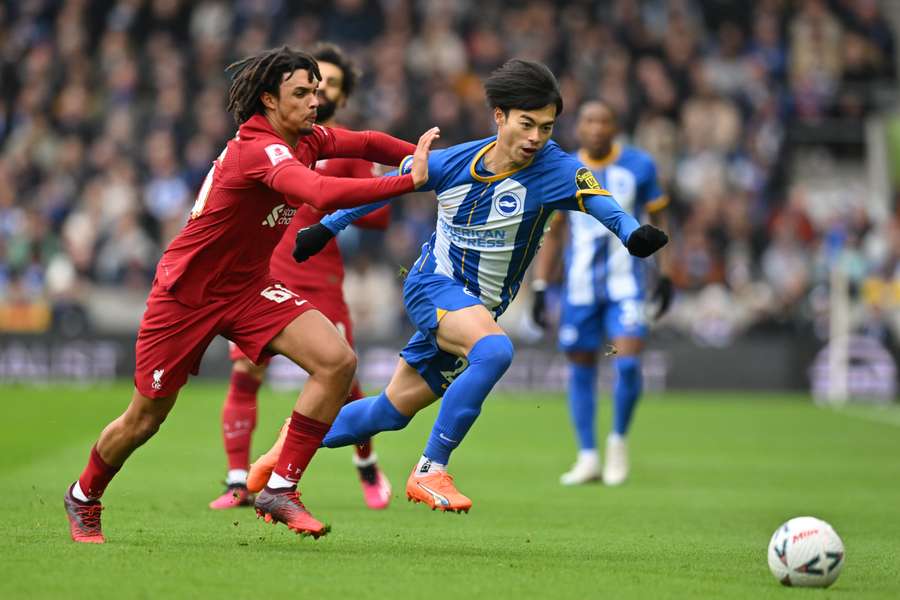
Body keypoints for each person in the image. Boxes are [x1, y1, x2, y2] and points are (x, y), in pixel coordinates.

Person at [248, 60, 668, 513]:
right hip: (433, 285)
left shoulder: (558, 171)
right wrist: (327, 229)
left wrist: (632, 235)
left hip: (477, 308)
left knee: (388, 412)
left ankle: (285, 448)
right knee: (496, 351)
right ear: (500, 116)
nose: (535, 138)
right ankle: (430, 470)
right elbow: (389, 186)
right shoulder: (452, 161)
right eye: (526, 124)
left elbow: (603, 203)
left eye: (546, 128)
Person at [63, 46, 440, 543]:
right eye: (301, 93)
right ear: (268, 99)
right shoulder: (259, 148)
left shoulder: (305, 136)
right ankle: (84, 495)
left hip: (247, 288)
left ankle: (281, 488)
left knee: (336, 361)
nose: (314, 101)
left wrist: (428, 155)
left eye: (317, 91)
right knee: (144, 419)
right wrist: (405, 181)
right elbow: (321, 195)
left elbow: (365, 141)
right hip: (187, 296)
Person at [211, 43, 393, 512]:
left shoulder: (335, 145)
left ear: (339, 95)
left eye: (330, 84)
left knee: (342, 372)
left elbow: (378, 215)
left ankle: (366, 463)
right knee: (245, 370)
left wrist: (336, 204)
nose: (321, 91)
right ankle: (238, 481)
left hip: (320, 275)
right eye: (315, 83)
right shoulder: (270, 143)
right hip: (268, 270)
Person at [531, 100, 674, 487]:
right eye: (589, 121)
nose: (596, 128)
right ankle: (587, 455)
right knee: (580, 368)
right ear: (579, 127)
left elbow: (658, 220)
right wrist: (542, 286)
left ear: (614, 128)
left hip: (627, 284)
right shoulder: (562, 168)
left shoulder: (639, 166)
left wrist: (665, 272)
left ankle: (617, 444)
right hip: (578, 288)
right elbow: (555, 231)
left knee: (627, 363)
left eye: (603, 122)